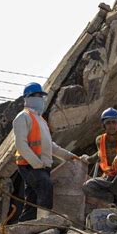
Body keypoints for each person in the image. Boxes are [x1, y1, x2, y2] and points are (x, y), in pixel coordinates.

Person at [13, 82, 76, 222]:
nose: (41, 99)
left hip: (42, 166)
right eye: (37, 96)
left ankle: (23, 229)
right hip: (30, 165)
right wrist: (36, 164)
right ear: (28, 98)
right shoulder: (22, 117)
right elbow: (20, 144)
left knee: (32, 200)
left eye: (42, 96)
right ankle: (43, 224)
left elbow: (50, 146)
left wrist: (69, 156)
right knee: (45, 188)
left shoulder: (40, 120)